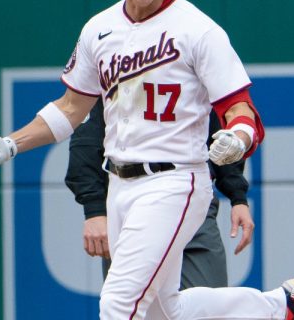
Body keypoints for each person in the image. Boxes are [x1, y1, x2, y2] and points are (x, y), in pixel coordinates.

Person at [0, 0, 294, 320]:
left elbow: (241, 109)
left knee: (117, 303)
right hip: (119, 185)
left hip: (175, 180)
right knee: (165, 309)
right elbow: (71, 109)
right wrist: (12, 143)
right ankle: (281, 306)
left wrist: (238, 137)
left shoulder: (198, 29)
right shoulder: (98, 30)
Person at [66, 100, 253, 289]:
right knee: (128, 307)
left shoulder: (195, 70)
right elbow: (87, 141)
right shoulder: (110, 71)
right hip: (131, 199)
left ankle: (278, 305)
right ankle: (279, 303)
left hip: (191, 195)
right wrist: (94, 210)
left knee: (212, 306)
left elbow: (219, 133)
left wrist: (238, 197)